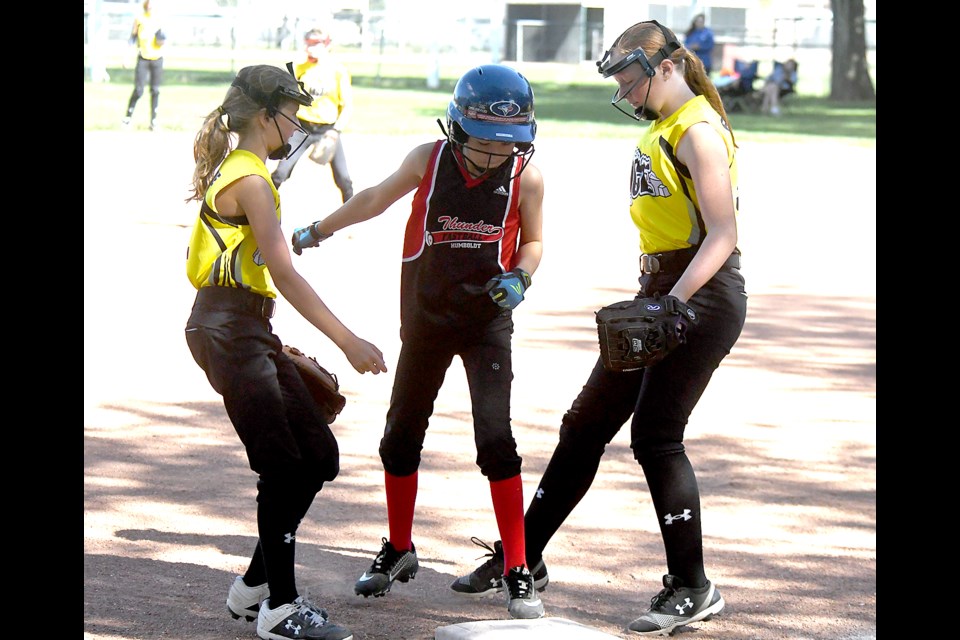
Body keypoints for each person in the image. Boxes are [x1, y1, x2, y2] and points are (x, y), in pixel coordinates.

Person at [452, 20, 746, 637]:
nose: (624, 92)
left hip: (702, 297)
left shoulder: (697, 131)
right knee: (585, 424)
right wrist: (659, 296)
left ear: (665, 67)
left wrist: (674, 301)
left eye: (629, 79)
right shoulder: (669, 128)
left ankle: (694, 587)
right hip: (663, 292)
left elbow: (722, 234)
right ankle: (521, 556)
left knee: (656, 437)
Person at [290, 64, 546, 620]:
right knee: (400, 436)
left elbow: (536, 241)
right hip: (427, 321)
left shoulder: (526, 176)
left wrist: (521, 276)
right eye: (483, 143)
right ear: (456, 127)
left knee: (495, 440)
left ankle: (519, 569)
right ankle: (399, 549)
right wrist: (318, 230)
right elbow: (375, 199)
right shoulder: (428, 160)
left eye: (508, 145)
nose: (494, 155)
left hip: (486, 324)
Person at [184, 63, 388, 640]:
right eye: (291, 111)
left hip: (247, 328)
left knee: (317, 456)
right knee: (281, 466)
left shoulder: (251, 170)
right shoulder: (248, 177)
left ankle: (253, 589)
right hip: (228, 330)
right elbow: (284, 272)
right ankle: (280, 607)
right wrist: (348, 341)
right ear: (266, 114)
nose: (297, 121)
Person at [271, 27, 355, 203]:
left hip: (327, 130)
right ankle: (262, 208)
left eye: (316, 44)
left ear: (327, 45)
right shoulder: (299, 68)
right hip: (302, 128)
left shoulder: (338, 70)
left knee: (344, 179)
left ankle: (353, 215)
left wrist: (336, 131)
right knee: (280, 173)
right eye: (308, 44)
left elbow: (347, 106)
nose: (310, 48)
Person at [122, 0, 165, 130]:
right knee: (139, 90)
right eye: (148, 2)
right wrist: (127, 56)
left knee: (155, 90)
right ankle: (127, 118)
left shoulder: (158, 19)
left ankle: (153, 121)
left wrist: (161, 40)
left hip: (157, 58)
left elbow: (163, 38)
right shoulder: (139, 18)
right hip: (143, 58)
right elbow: (133, 37)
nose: (150, 5)